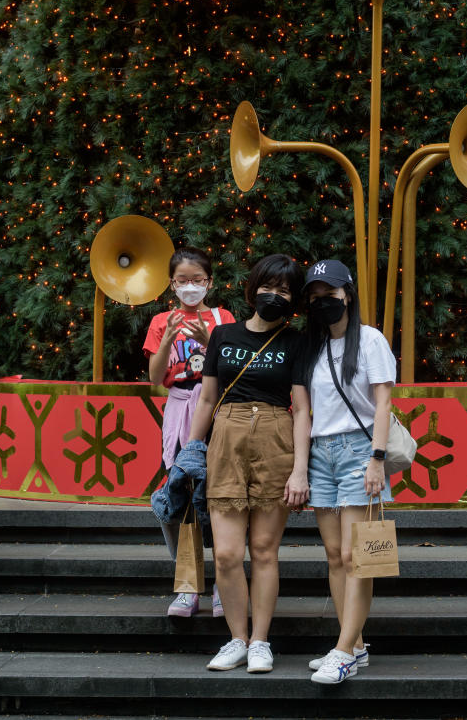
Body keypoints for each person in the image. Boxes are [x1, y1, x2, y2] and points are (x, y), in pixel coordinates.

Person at [185, 253, 311, 674]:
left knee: (263, 551)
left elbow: (303, 408)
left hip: (277, 434)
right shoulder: (223, 335)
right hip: (227, 435)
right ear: (253, 286)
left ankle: (260, 641)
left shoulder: (295, 341)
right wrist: (190, 451)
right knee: (225, 554)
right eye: (268, 287)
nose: (273, 296)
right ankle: (237, 638)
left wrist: (299, 469)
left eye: (284, 291)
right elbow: (206, 400)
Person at [300, 259, 395, 684]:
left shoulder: (370, 339)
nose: (324, 303)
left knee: (358, 556)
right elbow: (304, 411)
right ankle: (353, 645)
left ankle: (344, 649)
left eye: (331, 295)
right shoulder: (311, 345)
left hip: (359, 450)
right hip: (321, 452)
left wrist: (377, 458)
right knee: (335, 556)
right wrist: (300, 467)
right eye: (316, 297)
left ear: (348, 295)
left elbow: (384, 402)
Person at [143, 246, 234, 618]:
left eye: (197, 280)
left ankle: (224, 586)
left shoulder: (222, 317)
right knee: (179, 493)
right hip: (180, 408)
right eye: (183, 280)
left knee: (221, 496)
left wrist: (209, 339)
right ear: (172, 284)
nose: (190, 286)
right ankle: (187, 586)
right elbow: (154, 379)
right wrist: (167, 340)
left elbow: (232, 367)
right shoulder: (161, 320)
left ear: (209, 282)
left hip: (216, 409)